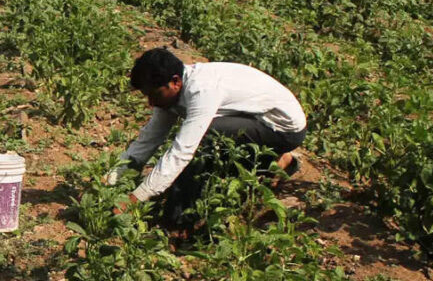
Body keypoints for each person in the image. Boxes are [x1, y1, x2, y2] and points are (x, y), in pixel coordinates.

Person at [107, 48, 306, 225]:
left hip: (282, 128)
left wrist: (135, 199)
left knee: (207, 137)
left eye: (154, 94)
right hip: (252, 116)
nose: (151, 103)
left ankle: (180, 223)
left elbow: (182, 152)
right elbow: (148, 139)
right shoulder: (170, 94)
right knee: (213, 134)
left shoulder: (201, 91)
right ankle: (275, 161)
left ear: (175, 81)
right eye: (146, 95)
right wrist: (110, 180)